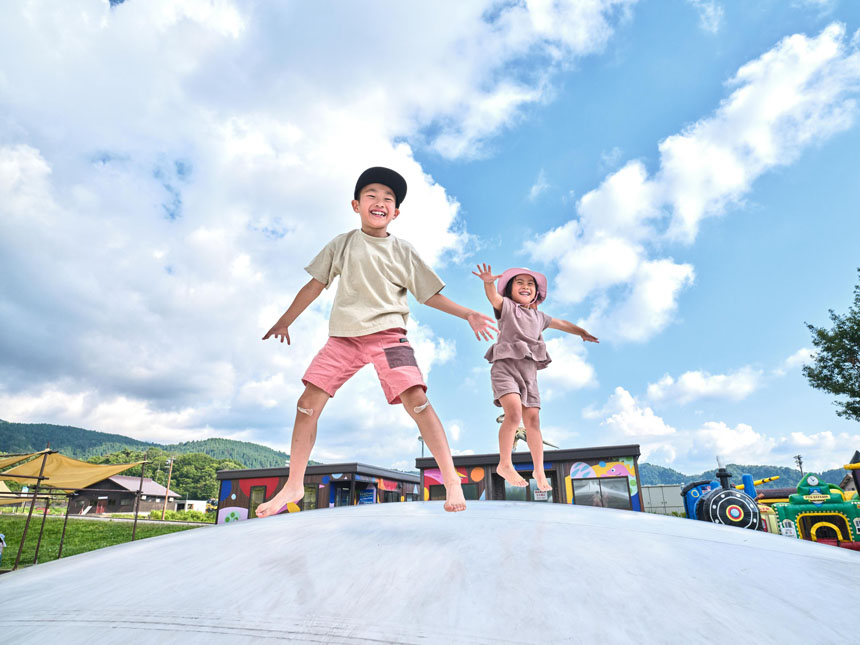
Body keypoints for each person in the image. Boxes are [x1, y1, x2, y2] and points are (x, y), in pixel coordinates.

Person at [255, 167, 497, 516]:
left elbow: (428, 295)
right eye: (371, 195)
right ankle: (294, 484)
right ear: (356, 205)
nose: (379, 202)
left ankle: (451, 479)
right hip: (343, 340)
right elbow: (314, 285)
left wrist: (468, 314)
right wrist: (285, 320)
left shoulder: (403, 250)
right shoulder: (342, 244)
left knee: (417, 398)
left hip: (389, 337)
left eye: (388, 199)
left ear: (395, 212)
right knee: (306, 402)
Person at [473, 263, 598, 492]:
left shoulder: (540, 317)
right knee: (513, 414)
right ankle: (505, 464)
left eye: (530, 284)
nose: (525, 286)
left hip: (529, 373)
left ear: (537, 293)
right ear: (509, 290)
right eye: (519, 283)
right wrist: (488, 282)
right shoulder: (507, 307)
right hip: (505, 368)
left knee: (533, 422)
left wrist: (581, 331)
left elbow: (562, 324)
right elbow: (493, 298)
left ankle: (538, 470)